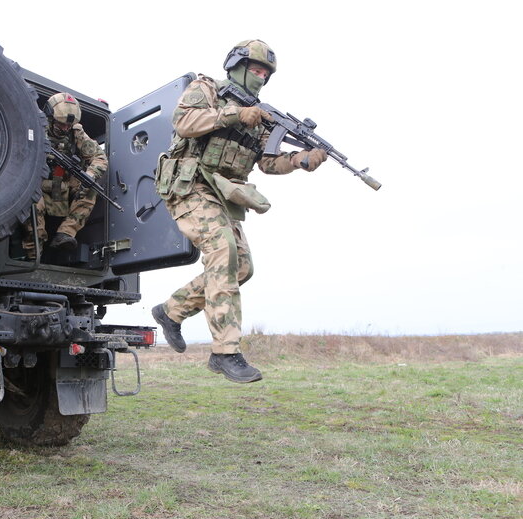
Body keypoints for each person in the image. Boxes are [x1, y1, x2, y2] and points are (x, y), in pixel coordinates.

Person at [151, 39, 328, 383]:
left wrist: (299, 161)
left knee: (242, 267)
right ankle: (225, 352)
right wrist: (234, 113)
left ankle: (171, 311)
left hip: (223, 193)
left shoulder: (261, 118)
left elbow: (267, 162)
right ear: (236, 66)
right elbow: (184, 122)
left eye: (266, 73)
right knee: (223, 250)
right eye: (256, 69)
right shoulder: (207, 89)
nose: (261, 77)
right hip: (189, 185)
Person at [22, 92, 108, 258]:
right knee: (34, 211)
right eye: (61, 124)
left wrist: (90, 175)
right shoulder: (35, 126)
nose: (65, 128)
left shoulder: (76, 132)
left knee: (90, 189)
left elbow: (99, 157)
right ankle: (33, 255)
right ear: (50, 116)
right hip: (35, 182)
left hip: (62, 182)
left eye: (68, 125)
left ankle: (66, 233)